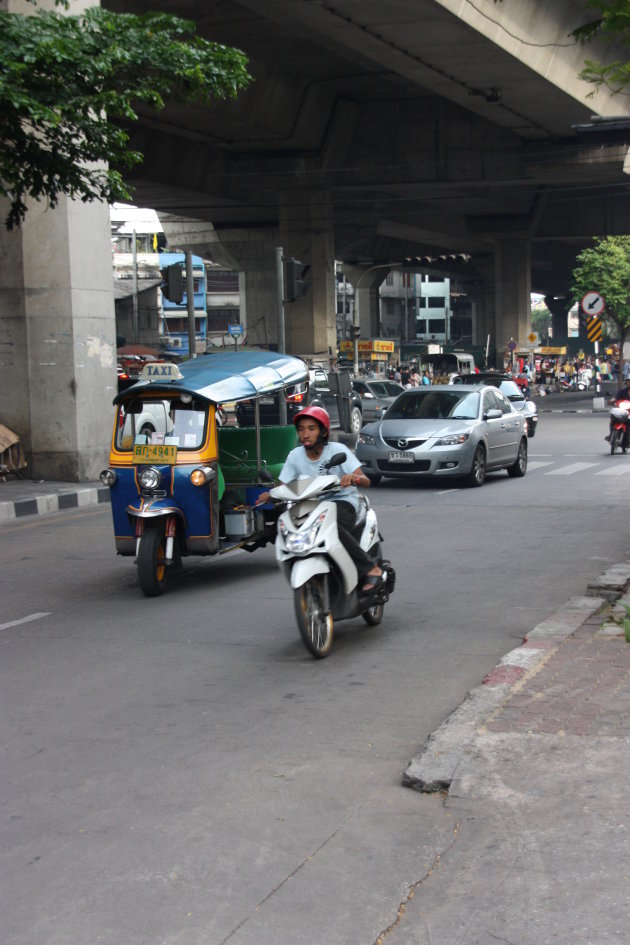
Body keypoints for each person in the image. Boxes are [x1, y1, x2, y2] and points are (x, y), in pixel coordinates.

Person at [256, 406, 384, 593]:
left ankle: (370, 567)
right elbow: (284, 485)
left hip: (342, 502)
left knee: (333, 527)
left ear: (323, 431)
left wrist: (352, 478)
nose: (305, 434)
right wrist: (270, 493)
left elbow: (365, 480)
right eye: (301, 429)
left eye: (311, 428)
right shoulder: (295, 456)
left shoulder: (337, 450)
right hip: (311, 506)